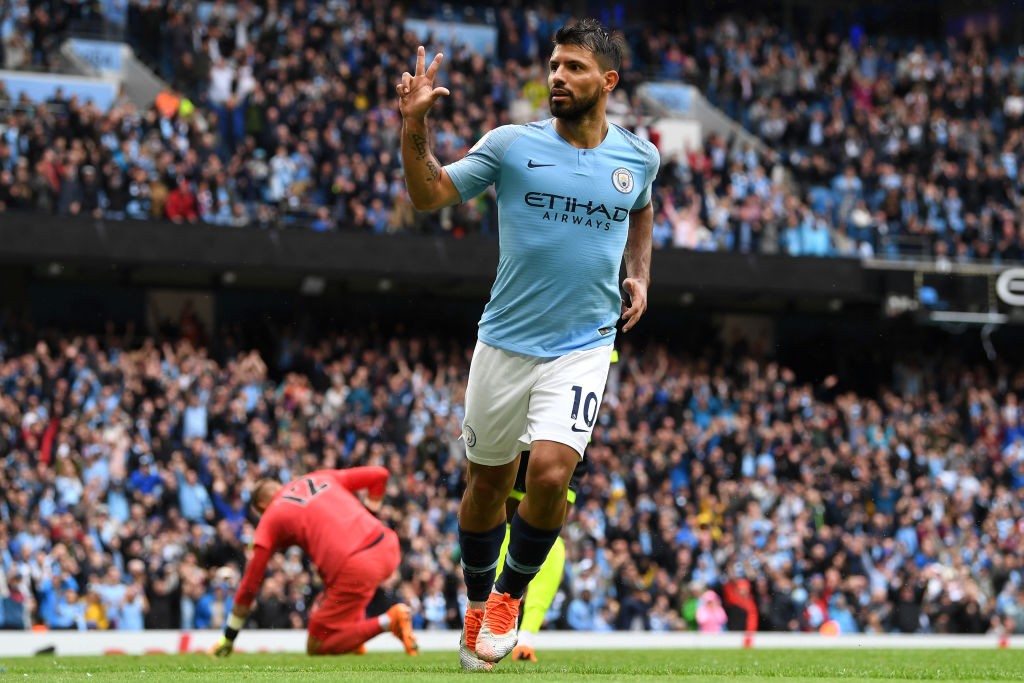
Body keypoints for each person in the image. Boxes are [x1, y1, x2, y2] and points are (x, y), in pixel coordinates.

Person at [397, 18, 658, 670]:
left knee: (549, 472)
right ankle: (477, 602)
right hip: (505, 342)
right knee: (486, 486)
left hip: (586, 342)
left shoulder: (639, 157)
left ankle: (509, 597)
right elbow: (428, 194)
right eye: (554, 65)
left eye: (572, 66)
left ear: (608, 80)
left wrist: (641, 273)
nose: (557, 77)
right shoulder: (511, 145)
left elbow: (644, 206)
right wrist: (413, 125)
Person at [209, 467, 419, 657]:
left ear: (263, 505)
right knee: (335, 591)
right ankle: (355, 641)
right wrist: (369, 513)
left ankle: (390, 620)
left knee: (318, 643)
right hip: (387, 544)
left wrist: (229, 636)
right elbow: (379, 475)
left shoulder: (273, 514)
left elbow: (250, 584)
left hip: (356, 565)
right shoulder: (320, 477)